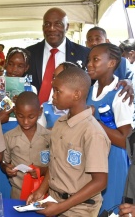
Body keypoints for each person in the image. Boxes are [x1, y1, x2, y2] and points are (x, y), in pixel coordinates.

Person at [27, 67, 110, 216]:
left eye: (58, 91)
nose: (53, 96)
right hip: (54, 200)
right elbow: (55, 164)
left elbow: (100, 182)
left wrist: (61, 207)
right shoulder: (60, 123)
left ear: (76, 94)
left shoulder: (92, 132)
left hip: (80, 209)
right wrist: (41, 190)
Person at [86, 43, 133, 214]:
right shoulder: (90, 89)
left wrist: (92, 120)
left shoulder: (120, 94)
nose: (89, 64)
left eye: (95, 59)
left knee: (109, 207)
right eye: (89, 59)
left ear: (112, 63)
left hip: (113, 160)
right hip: (93, 156)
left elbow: (125, 140)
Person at [26, 7, 90, 104]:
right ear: (43, 27)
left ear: (67, 27)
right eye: (47, 24)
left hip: (70, 116)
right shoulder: (29, 53)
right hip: (33, 116)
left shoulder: (84, 54)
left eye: (58, 24)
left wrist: (121, 83)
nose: (51, 28)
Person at [1, 91, 51, 199]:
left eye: (31, 117)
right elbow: (4, 163)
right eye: (20, 116)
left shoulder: (49, 137)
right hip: (18, 193)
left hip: (44, 192)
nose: (26, 121)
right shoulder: (9, 137)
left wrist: (42, 170)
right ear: (15, 111)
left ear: (40, 112)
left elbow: (55, 166)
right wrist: (6, 168)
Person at [38, 61, 80, 129]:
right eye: (54, 77)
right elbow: (39, 134)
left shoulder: (80, 110)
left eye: (59, 77)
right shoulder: (45, 107)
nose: (53, 81)